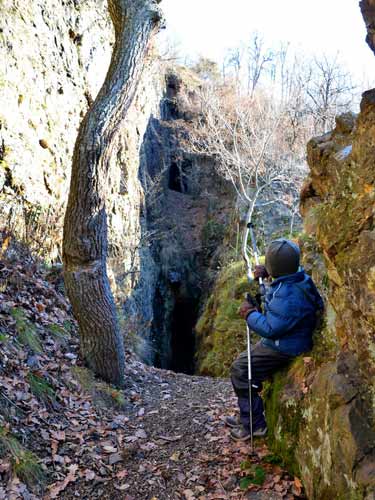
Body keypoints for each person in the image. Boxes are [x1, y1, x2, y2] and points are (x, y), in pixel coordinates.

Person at [227, 238, 324, 441]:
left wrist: (249, 314)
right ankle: (248, 414)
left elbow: (270, 329)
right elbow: (277, 297)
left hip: (285, 345)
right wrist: (267, 276)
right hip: (289, 338)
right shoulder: (296, 279)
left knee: (241, 369)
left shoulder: (288, 297)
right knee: (245, 362)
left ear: (275, 267)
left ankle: (253, 425)